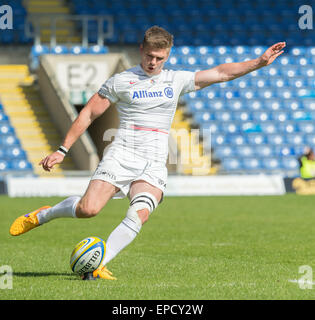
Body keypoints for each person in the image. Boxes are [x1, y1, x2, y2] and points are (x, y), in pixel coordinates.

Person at [9, 26, 286, 280]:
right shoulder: (121, 81)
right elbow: (89, 113)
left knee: (139, 213)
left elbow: (222, 72)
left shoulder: (175, 80)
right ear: (141, 50)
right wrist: (62, 150)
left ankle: (100, 263)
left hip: (153, 163)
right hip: (121, 155)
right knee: (88, 209)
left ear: (167, 56)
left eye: (160, 58)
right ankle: (43, 215)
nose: (154, 62)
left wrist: (258, 63)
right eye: (150, 56)